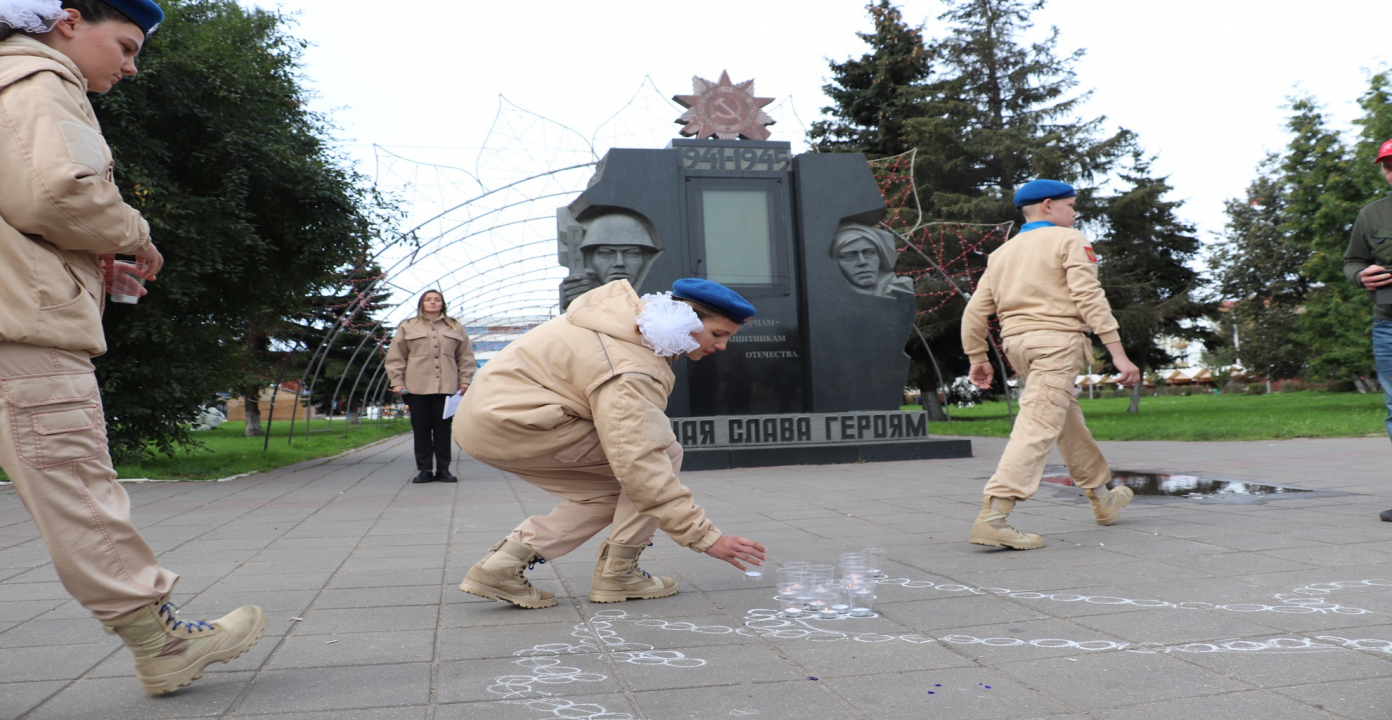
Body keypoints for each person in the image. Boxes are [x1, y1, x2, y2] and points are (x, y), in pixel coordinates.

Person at [0, 0, 265, 695]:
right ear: (66, 21)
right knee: (75, 487)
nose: (129, 66)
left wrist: (87, 262)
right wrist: (132, 235)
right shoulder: (35, 76)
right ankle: (161, 641)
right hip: (21, 334)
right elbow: (61, 192)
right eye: (123, 45)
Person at [453, 278, 766, 608]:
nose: (722, 347)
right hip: (518, 423)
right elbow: (639, 461)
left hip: (491, 420)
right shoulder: (631, 365)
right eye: (717, 334)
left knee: (617, 491)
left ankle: (499, 568)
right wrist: (705, 538)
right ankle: (618, 574)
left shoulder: (618, 323)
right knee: (657, 459)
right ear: (682, 320)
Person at [960, 179, 1141, 550]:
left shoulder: (1002, 254)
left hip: (1018, 346)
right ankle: (995, 516)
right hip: (1057, 343)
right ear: (1048, 206)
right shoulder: (1069, 240)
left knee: (1064, 419)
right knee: (1039, 423)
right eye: (1071, 205)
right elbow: (1089, 296)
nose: (1075, 213)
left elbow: (975, 311)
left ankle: (1102, 498)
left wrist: (977, 356)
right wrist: (1118, 353)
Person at [1344, 139, 1392, 521]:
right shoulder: (1371, 215)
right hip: (1387, 327)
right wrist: (1360, 275)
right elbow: (1352, 262)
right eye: (1388, 165)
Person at [385, 289, 476, 483]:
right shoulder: (407, 326)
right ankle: (424, 470)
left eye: (437, 299)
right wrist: (397, 382)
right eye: (428, 299)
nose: (433, 302)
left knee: (443, 431)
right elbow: (396, 356)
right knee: (421, 431)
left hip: (447, 388)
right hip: (416, 387)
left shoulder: (455, 327)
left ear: (442, 303)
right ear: (421, 303)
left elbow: (465, 356)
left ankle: (444, 470)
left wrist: (465, 380)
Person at [829, 223, 914, 298]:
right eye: (849, 256)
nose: (862, 262)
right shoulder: (831, 297)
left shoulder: (900, 288)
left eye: (869, 253)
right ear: (836, 262)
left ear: (881, 255)